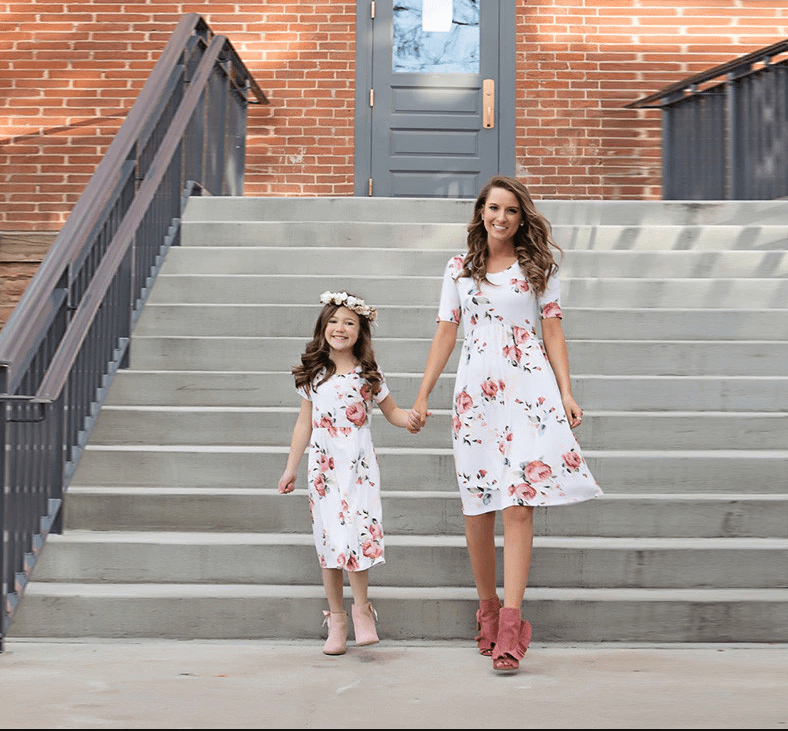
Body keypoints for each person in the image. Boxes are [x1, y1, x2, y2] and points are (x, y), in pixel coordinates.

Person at [411, 176, 603, 673]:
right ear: (481, 213)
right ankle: (488, 608)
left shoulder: (539, 267)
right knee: (478, 505)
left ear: (522, 218)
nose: (501, 217)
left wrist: (565, 391)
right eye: (494, 208)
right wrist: (423, 392)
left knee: (519, 502)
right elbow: (445, 333)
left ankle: (514, 625)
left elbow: (553, 331)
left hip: (529, 391)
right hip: (476, 396)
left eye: (511, 211)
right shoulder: (459, 268)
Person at [278, 290, 422, 655]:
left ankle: (362, 610)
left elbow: (393, 413)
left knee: (359, 534)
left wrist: (412, 420)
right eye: (334, 321)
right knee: (329, 542)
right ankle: (337, 619)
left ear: (361, 332)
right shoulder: (314, 375)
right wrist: (291, 468)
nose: (340, 328)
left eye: (349, 323)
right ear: (323, 326)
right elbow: (303, 424)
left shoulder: (369, 375)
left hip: (359, 467)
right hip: (324, 468)